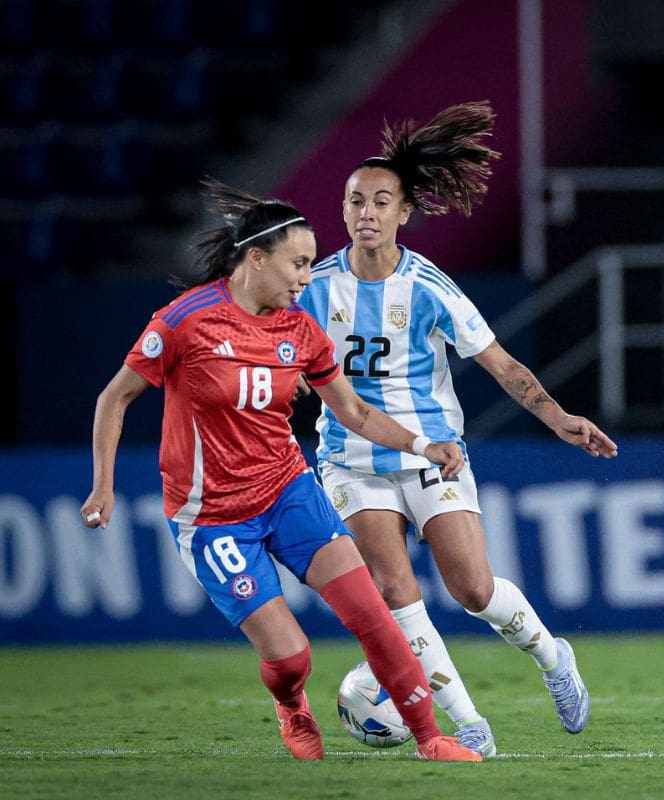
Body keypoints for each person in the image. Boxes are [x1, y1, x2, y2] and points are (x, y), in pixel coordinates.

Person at [79, 180, 480, 762]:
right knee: (291, 658)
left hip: (289, 492)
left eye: (311, 265)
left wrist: (424, 442)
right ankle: (292, 704)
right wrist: (103, 485)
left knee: (372, 614)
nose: (305, 277)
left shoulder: (300, 330)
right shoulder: (186, 321)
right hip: (212, 517)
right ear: (256, 258)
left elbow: (356, 410)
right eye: (297, 263)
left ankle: (430, 738)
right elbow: (114, 398)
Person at [297, 101, 618, 756]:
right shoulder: (313, 285)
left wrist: (557, 417)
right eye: (355, 200)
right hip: (351, 463)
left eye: (381, 201)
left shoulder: (429, 288)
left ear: (404, 212)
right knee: (395, 590)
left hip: (432, 456)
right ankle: (468, 725)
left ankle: (553, 657)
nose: (366, 213)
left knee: (473, 589)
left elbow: (500, 363)